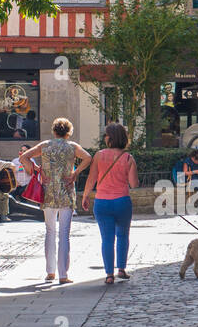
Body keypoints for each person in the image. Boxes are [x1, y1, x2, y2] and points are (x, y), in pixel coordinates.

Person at [22, 119, 91, 284]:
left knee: (50, 231)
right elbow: (88, 158)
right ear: (69, 132)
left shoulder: (45, 145)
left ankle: (50, 272)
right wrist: (75, 173)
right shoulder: (72, 147)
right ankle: (63, 274)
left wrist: (37, 170)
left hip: (48, 192)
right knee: (64, 234)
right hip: (66, 192)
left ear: (54, 131)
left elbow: (24, 157)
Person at [82, 123, 139, 285]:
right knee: (122, 235)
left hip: (102, 202)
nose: (105, 138)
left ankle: (109, 274)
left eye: (106, 135)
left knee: (106, 239)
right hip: (122, 201)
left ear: (111, 138)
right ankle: (121, 269)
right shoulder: (128, 158)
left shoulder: (99, 155)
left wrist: (85, 196)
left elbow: (91, 178)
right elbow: (134, 184)